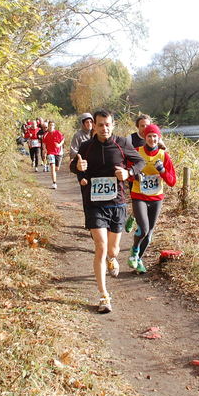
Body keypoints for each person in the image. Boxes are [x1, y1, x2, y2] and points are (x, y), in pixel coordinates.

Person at [71, 110, 144, 313]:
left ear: (113, 125)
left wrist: (128, 172)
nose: (104, 128)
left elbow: (140, 162)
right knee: (101, 247)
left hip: (117, 204)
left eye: (108, 124)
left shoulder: (122, 144)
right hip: (94, 205)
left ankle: (113, 260)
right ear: (93, 125)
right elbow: (73, 166)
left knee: (113, 250)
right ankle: (104, 296)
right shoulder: (86, 147)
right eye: (100, 124)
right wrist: (78, 168)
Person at [128, 123, 176, 273]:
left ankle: (138, 260)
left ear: (158, 137)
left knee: (148, 235)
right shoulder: (137, 152)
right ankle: (134, 251)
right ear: (145, 137)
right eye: (149, 136)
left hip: (156, 198)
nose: (152, 139)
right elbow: (127, 173)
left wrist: (161, 170)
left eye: (155, 136)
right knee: (143, 230)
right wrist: (136, 175)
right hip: (139, 195)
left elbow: (172, 181)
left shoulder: (163, 155)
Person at [42, 121, 65, 189]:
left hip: (59, 153)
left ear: (54, 126)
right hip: (50, 152)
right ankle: (54, 183)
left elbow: (63, 140)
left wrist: (59, 145)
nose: (51, 126)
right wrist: (44, 149)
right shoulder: (46, 134)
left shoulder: (58, 133)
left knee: (56, 168)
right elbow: (43, 143)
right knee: (52, 167)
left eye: (52, 125)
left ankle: (54, 171)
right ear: (48, 126)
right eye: (50, 125)